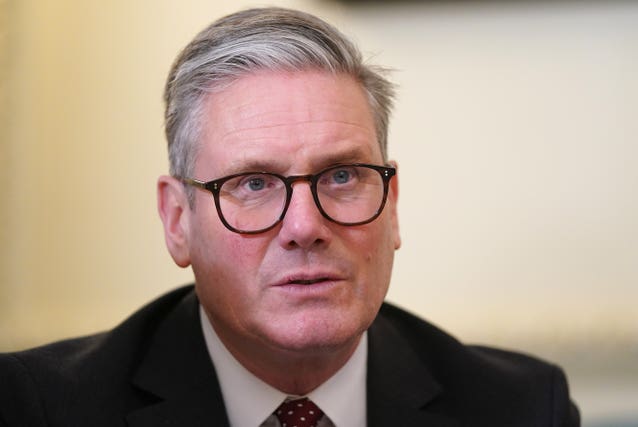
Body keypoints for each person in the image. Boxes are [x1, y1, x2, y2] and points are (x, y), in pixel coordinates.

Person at [0, 7, 580, 427]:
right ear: (178, 220)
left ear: (393, 205)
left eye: (342, 176)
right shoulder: (39, 408)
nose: (305, 227)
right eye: (253, 183)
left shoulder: (523, 408)